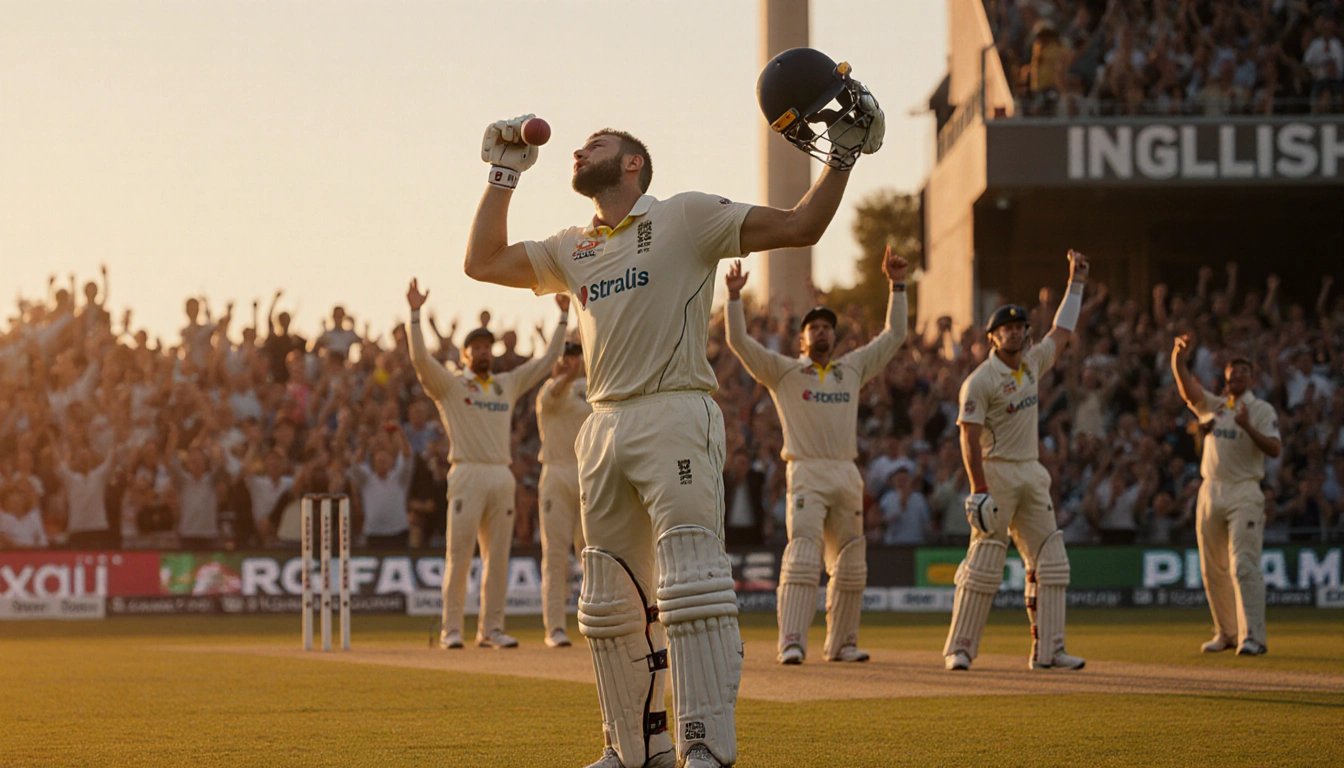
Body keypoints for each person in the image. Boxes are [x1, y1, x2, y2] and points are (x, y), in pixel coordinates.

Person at [460, 48, 883, 768]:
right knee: (606, 601)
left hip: (675, 410)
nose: (579, 147)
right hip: (603, 425)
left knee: (690, 583)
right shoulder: (573, 246)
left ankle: (706, 747)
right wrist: (502, 175)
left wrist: (840, 159)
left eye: (598, 142)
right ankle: (631, 751)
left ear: (632, 165)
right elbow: (482, 263)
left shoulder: (687, 216)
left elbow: (800, 224)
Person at [722, 249, 907, 665]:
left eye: (827, 327)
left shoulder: (851, 369)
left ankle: (842, 643)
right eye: (814, 328)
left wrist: (897, 286)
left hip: (845, 470)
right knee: (804, 555)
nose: (821, 332)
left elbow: (894, 336)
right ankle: (791, 640)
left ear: (834, 337)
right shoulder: (784, 371)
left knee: (852, 562)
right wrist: (734, 298)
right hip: (805, 470)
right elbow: (738, 342)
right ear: (802, 339)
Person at [944, 250, 1089, 673]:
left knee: (1051, 561)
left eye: (1018, 327)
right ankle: (961, 648)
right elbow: (967, 437)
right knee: (985, 562)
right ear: (992, 338)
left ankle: (1050, 651)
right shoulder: (980, 381)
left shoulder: (1032, 364)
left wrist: (1075, 281)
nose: (1013, 334)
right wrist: (979, 489)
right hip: (997, 471)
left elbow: (1062, 331)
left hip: (1031, 470)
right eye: (1004, 329)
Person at [407, 280, 568, 650]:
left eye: (487, 347)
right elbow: (419, 361)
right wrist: (415, 314)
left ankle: (491, 629)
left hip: (501, 474)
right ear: (464, 355)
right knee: (459, 552)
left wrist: (561, 317)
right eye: (476, 347)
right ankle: (451, 629)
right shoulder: (451, 386)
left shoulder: (506, 384)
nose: (483, 352)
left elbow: (546, 364)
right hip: (466, 471)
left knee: (498, 558)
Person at [1171, 336, 1281, 656]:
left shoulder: (1260, 409)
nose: (1238, 376)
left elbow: (1274, 449)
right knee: (1212, 567)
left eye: (1244, 372)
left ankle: (1254, 637)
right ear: (1226, 377)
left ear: (1252, 378)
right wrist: (1178, 356)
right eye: (1233, 371)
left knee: (1243, 565)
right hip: (1211, 489)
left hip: (1244, 489)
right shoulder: (1215, 406)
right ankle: (1227, 633)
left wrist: (1248, 428)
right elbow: (1186, 390)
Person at [535, 340, 592, 648]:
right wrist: (565, 376)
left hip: (588, 473)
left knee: (592, 552)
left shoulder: (593, 385)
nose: (571, 362)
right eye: (566, 358)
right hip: (556, 472)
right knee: (556, 554)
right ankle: (554, 628)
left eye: (575, 357)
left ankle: (596, 621)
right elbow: (555, 394)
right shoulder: (550, 391)